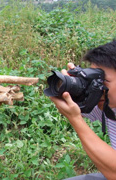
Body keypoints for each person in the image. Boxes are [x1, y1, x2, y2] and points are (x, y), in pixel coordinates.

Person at [50, 40, 116, 180]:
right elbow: (79, 107)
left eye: (103, 81)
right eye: (95, 78)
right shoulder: (108, 103)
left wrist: (75, 120)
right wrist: (74, 86)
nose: (97, 87)